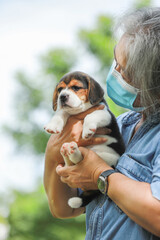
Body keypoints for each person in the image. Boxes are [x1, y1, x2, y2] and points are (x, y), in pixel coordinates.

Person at [44, 7, 160, 240]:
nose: (113, 73)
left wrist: (100, 174)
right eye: (115, 61)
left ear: (152, 82)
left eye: (124, 72)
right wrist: (53, 153)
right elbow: (65, 208)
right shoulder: (121, 125)